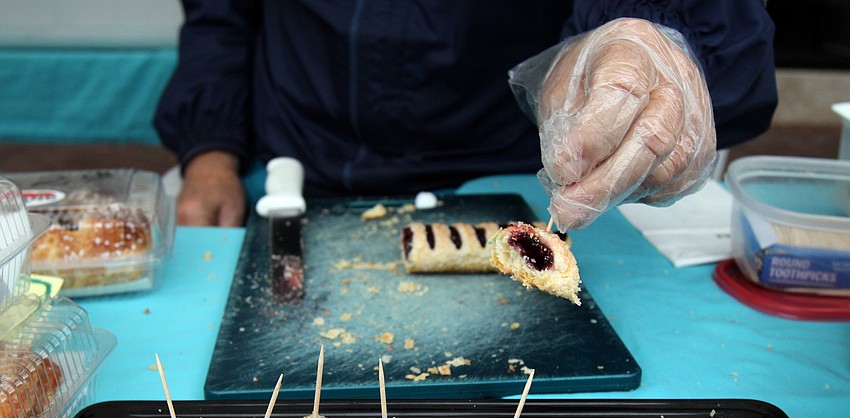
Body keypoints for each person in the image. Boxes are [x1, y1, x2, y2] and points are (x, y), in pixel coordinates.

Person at [154, 1, 777, 230]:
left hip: (511, 177)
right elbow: (222, 13)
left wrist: (653, 39)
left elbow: (716, 25)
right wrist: (210, 149)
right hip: (290, 164)